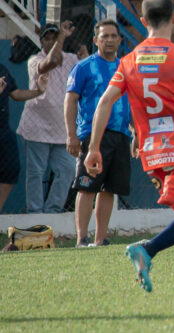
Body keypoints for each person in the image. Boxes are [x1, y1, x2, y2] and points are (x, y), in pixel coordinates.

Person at [84, 0, 174, 297]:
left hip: (151, 153)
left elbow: (105, 102)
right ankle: (147, 250)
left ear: (142, 21)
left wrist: (93, 148)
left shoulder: (129, 61)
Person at [65, 19, 130, 247]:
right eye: (105, 36)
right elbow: (71, 99)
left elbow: (133, 103)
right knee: (87, 185)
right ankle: (82, 238)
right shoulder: (84, 67)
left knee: (110, 188)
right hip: (92, 136)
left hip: (121, 134)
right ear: (96, 40)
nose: (109, 40)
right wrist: (72, 135)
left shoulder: (125, 67)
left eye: (114, 36)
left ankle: (99, 239)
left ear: (120, 40)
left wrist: (135, 133)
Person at [18, 22, 78, 214]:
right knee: (36, 173)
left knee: (68, 169)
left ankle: (52, 212)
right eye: (48, 38)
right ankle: (35, 214)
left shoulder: (71, 59)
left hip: (62, 128)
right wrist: (62, 36)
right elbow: (50, 62)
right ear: (41, 41)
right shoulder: (35, 60)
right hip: (37, 127)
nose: (51, 41)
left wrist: (85, 55)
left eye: (54, 37)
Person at [0, 62, 48, 213]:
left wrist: (38, 91)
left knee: (11, 170)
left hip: (3, 130)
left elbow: (15, 94)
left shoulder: (2, 68)